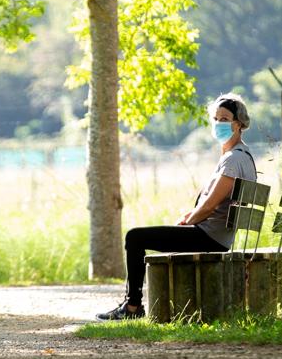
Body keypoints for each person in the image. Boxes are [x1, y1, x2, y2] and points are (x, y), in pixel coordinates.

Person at [96, 93, 260, 320]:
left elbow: (210, 206)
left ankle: (132, 307)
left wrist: (189, 221)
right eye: (216, 118)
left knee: (135, 238)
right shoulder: (244, 156)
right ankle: (133, 305)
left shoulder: (233, 159)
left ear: (239, 124)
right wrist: (192, 215)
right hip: (217, 235)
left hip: (209, 237)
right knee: (143, 237)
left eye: (225, 119)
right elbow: (213, 205)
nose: (218, 124)